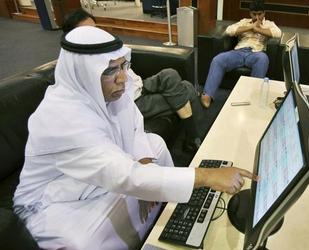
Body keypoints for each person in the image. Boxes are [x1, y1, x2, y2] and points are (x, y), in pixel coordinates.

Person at [13, 26, 257, 250]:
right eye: (110, 70)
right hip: (54, 200)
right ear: (84, 74)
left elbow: (135, 130)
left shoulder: (111, 91)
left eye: (122, 66)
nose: (122, 78)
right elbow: (123, 174)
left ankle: (165, 216)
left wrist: (144, 165)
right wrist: (205, 176)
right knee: (82, 241)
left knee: (156, 146)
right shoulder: (61, 117)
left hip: (101, 171)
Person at [63, 9, 201, 153]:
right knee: (187, 88)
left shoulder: (107, 49)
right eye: (87, 32)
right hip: (131, 99)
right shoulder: (81, 68)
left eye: (95, 30)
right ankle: (195, 139)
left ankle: (193, 139)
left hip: (140, 85)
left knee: (169, 74)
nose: (96, 36)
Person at [200, 0, 281, 108]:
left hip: (256, 53)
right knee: (218, 60)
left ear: (264, 13)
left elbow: (278, 33)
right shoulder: (244, 21)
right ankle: (208, 95)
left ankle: (252, 98)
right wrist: (250, 27)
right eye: (254, 14)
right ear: (250, 13)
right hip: (239, 52)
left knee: (263, 59)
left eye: (260, 14)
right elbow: (229, 30)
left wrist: (258, 29)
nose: (257, 17)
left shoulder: (269, 24)